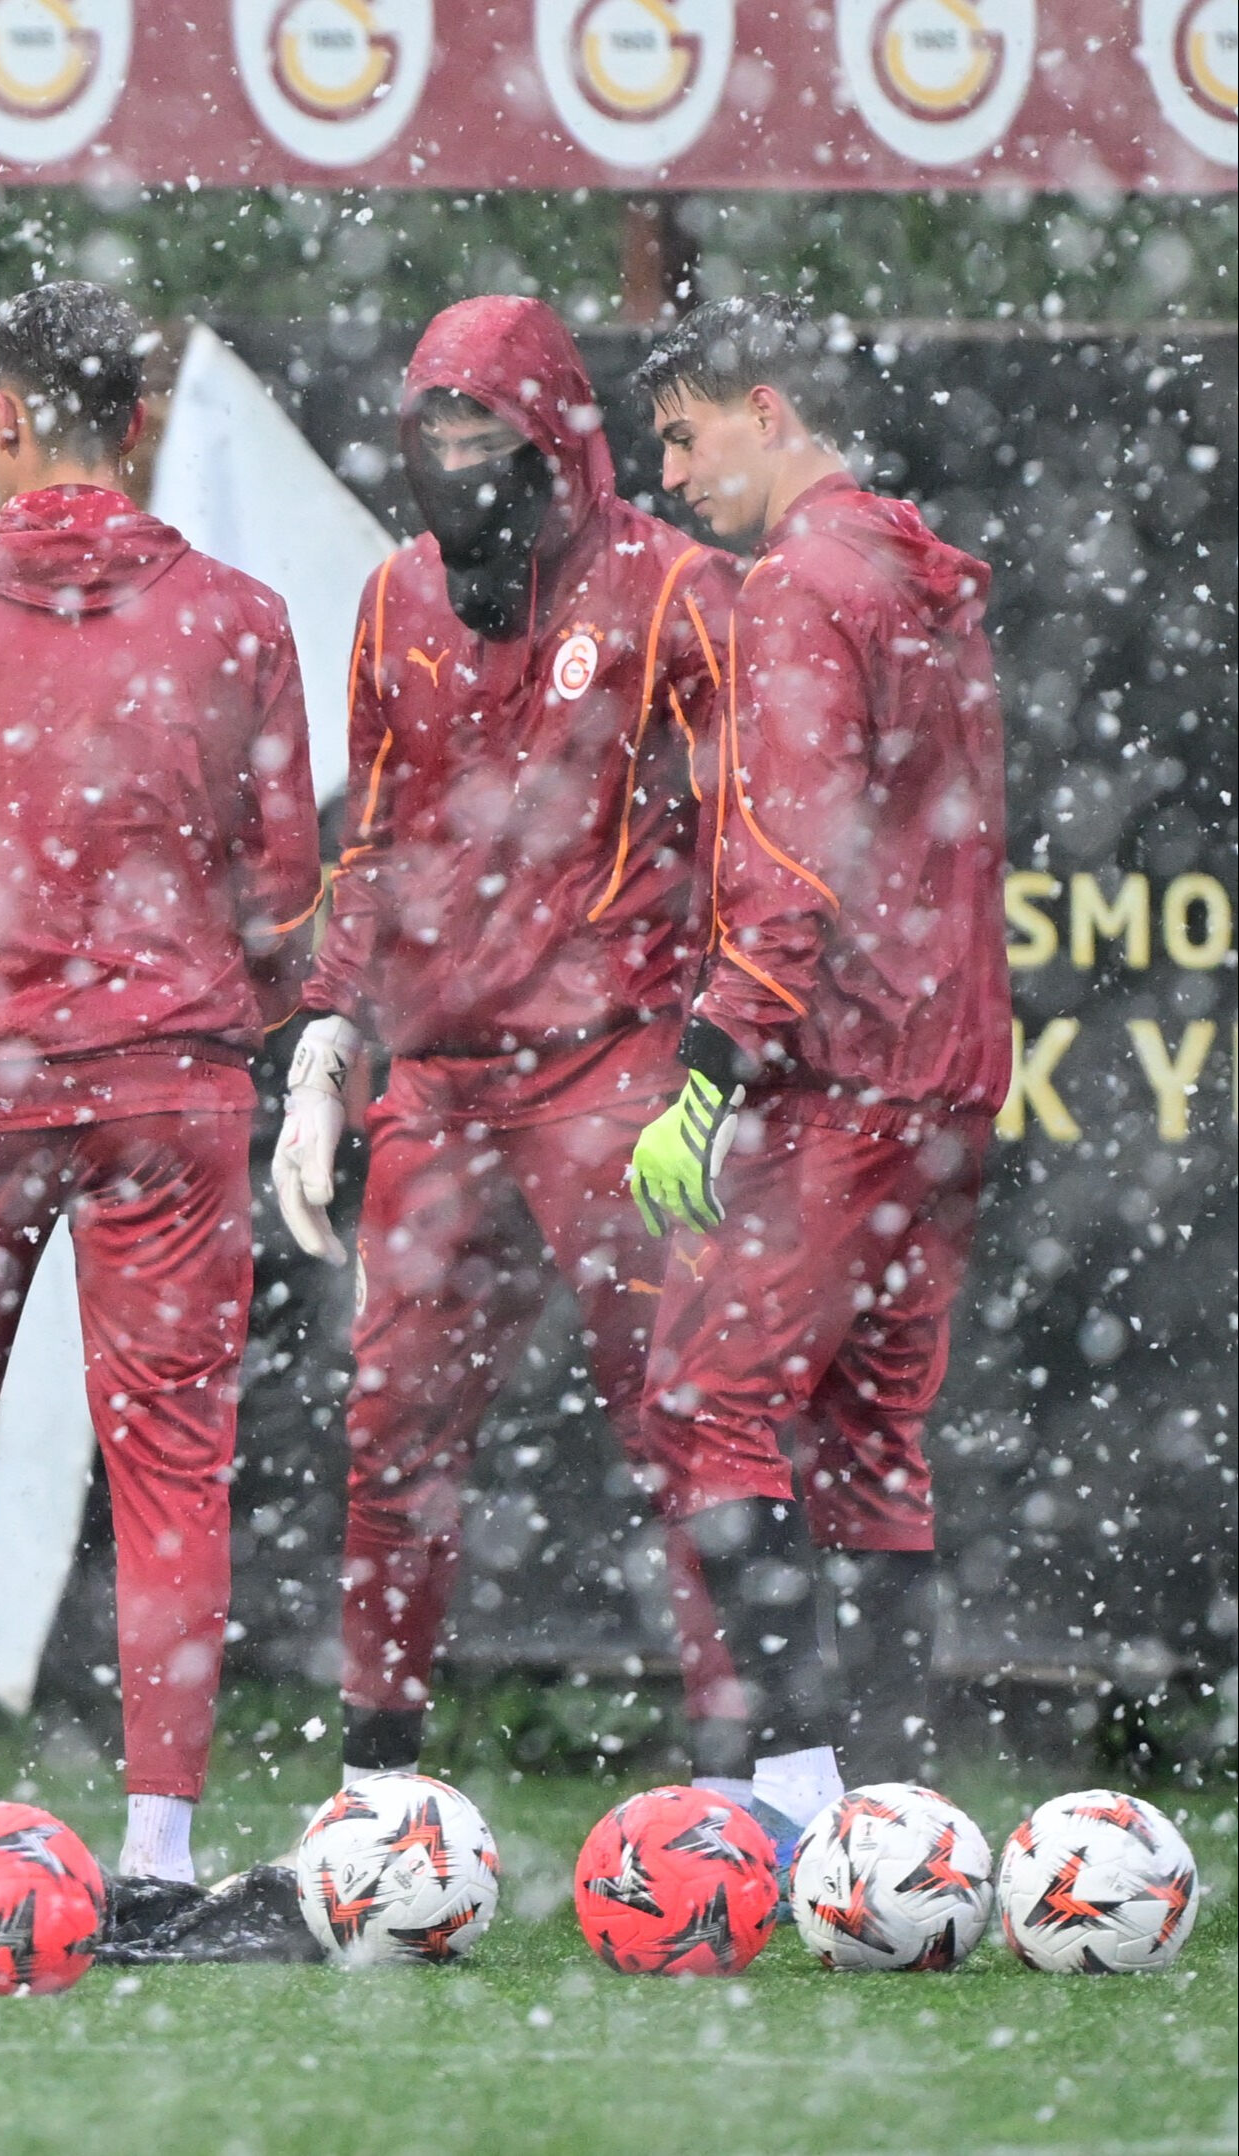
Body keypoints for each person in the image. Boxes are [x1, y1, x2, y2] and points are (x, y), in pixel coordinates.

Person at [0, 281, 314, 1908]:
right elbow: (286, 893)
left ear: (2, 421)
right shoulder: (238, 618)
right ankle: (157, 1855)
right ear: (140, 422)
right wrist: (214, 1013)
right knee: (175, 1463)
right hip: (172, 1087)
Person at [270, 294, 749, 1789]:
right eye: (440, 435)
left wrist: (726, 1059)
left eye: (492, 434)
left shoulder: (677, 590)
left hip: (615, 1064)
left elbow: (758, 841)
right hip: (443, 1073)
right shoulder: (397, 597)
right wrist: (324, 1045)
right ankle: (377, 1784)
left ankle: (756, 1783)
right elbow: (383, 839)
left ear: (559, 433)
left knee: (690, 1425)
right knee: (394, 1431)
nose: (466, 462)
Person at [626, 295, 1010, 1837]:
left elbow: (793, 869)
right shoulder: (924, 574)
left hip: (841, 1067)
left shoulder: (797, 587)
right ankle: (898, 1812)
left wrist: (707, 1070)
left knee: (714, 1404)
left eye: (682, 433)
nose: (666, 474)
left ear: (766, 410)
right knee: (875, 1441)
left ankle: (789, 1804)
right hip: (953, 1067)